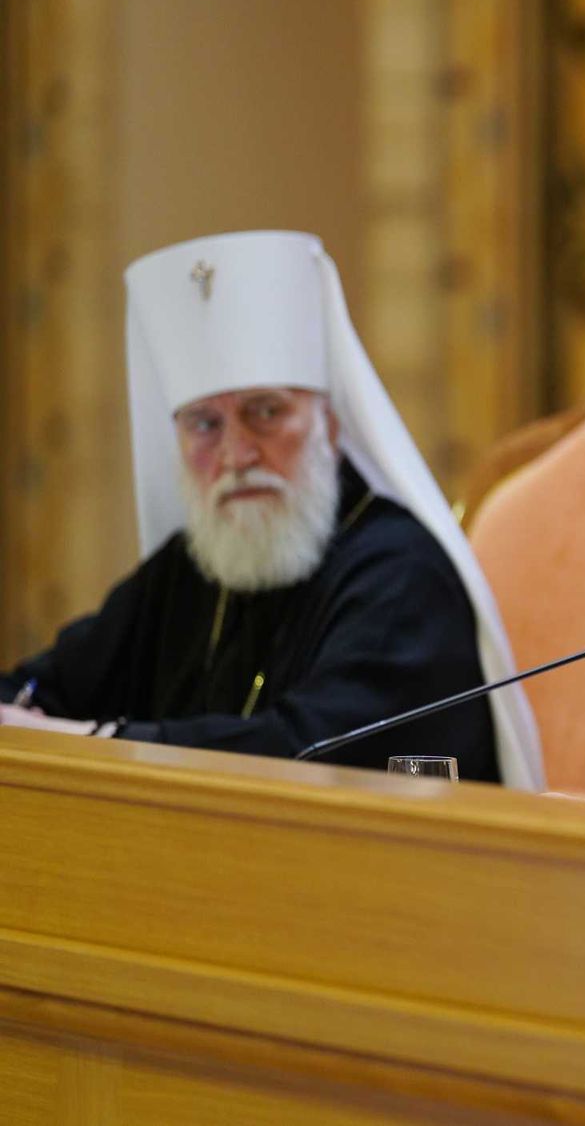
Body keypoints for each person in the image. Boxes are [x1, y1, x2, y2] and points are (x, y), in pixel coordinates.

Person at [0, 230, 544, 787]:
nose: (236, 455)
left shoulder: (402, 574)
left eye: (265, 412)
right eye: (205, 424)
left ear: (330, 425)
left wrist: (94, 739)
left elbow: (315, 755)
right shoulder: (190, 568)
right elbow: (41, 688)